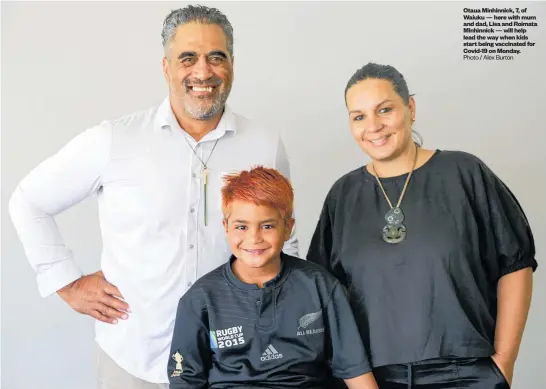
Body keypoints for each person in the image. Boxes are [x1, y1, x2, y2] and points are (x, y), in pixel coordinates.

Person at [8, 5, 298, 389]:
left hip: (235, 365)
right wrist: (66, 283)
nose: (203, 71)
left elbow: (285, 241)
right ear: (166, 68)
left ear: (232, 64)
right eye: (188, 58)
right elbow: (29, 200)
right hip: (134, 362)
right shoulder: (114, 140)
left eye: (217, 57)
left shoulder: (264, 144)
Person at [307, 62, 537, 389]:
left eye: (384, 110)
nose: (373, 126)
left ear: (410, 108)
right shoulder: (343, 196)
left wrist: (504, 361)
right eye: (358, 116)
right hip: (374, 378)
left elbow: (515, 264)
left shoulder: (464, 173)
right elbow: (326, 299)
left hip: (467, 373)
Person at [168, 166, 379, 389]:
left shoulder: (320, 285)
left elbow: (354, 369)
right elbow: (185, 380)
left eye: (267, 226)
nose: (254, 238)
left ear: (288, 228)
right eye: (241, 226)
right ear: (226, 227)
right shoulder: (200, 299)